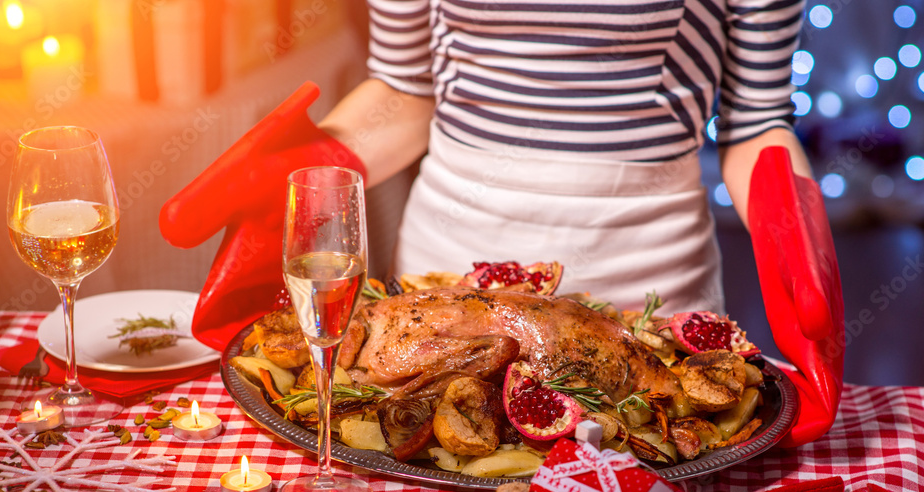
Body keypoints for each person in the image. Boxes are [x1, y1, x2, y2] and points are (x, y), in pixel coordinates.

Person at [314, 0, 815, 313]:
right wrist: (302, 173)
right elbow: (405, 88)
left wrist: (801, 249)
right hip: (447, 273)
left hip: (649, 285)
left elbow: (755, 121)